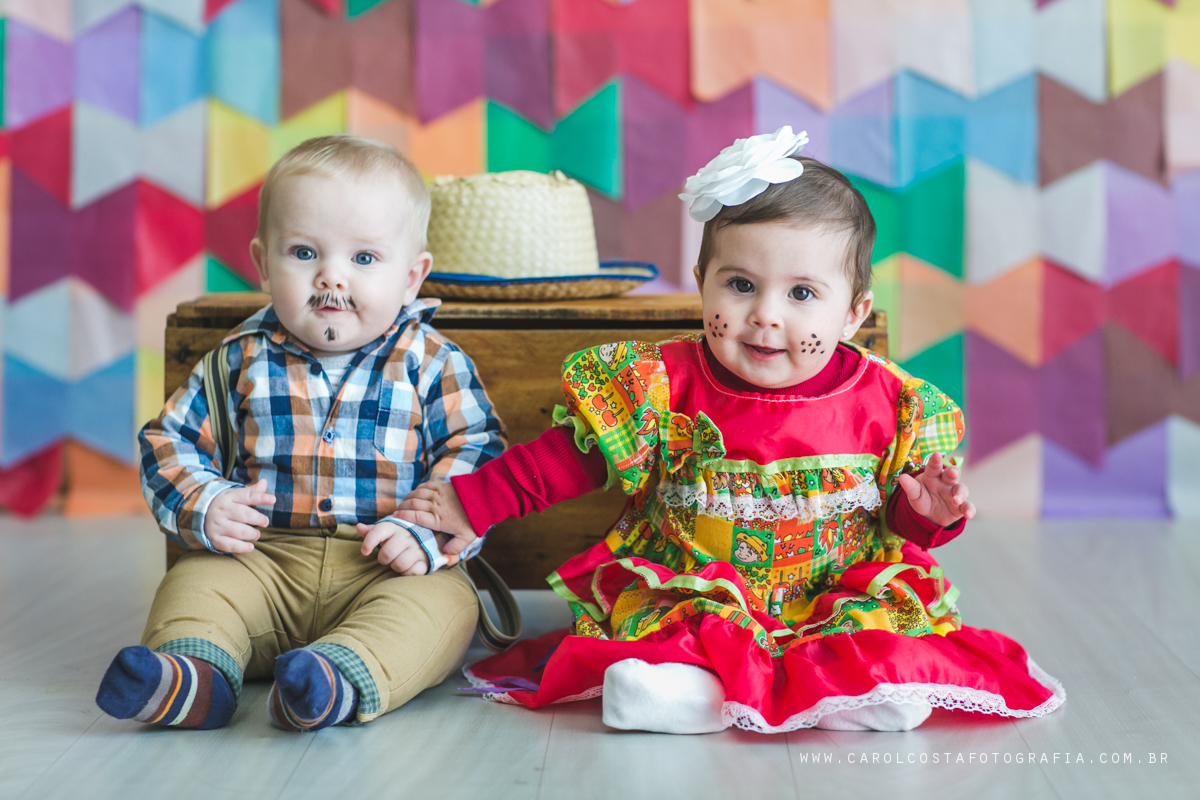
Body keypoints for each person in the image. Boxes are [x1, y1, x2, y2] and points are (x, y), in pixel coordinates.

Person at [393, 128, 1065, 734]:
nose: (764, 316)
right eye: (740, 284)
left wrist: (926, 512)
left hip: (830, 589)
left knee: (873, 628)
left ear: (854, 313)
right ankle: (675, 693)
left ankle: (872, 689)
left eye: (802, 294)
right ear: (702, 284)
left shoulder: (889, 402)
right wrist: (469, 501)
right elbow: (569, 460)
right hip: (695, 581)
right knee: (672, 632)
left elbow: (902, 527)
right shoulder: (664, 384)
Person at [95, 135, 505, 731]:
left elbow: (477, 451)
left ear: (412, 277)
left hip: (384, 564)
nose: (331, 278)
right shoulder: (237, 358)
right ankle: (193, 676)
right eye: (304, 252)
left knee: (445, 606)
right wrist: (206, 502)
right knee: (195, 584)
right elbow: (169, 442)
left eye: (364, 259)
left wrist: (426, 532)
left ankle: (334, 678)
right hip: (260, 558)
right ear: (264, 263)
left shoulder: (431, 361)